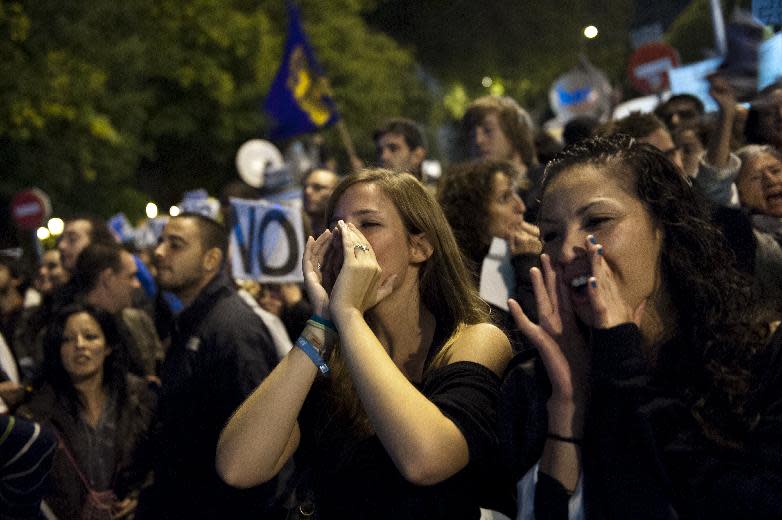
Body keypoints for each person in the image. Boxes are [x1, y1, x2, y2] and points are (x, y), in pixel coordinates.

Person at [503, 135, 782, 518]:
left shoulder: (760, 357)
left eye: (597, 221)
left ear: (662, 226)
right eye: (550, 234)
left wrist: (624, 365)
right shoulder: (537, 385)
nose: (567, 250)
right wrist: (568, 403)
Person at [217, 169, 513, 519]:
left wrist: (349, 314)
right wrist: (324, 319)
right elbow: (239, 466)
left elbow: (426, 459)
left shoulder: (474, 339)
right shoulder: (330, 350)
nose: (347, 239)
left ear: (419, 246)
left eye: (367, 224)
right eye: (338, 226)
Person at [137, 212, 283, 519]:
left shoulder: (233, 328)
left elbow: (261, 434)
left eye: (175, 245)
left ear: (210, 259)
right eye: (161, 241)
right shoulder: (196, 320)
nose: (160, 252)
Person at [18, 303, 155, 520]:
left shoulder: (139, 398)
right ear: (57, 350)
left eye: (90, 337)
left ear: (108, 346)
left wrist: (142, 497)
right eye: (67, 340)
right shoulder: (35, 413)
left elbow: (160, 460)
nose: (80, 345)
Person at [438, 159, 541, 350]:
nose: (520, 207)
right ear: (474, 213)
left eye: (515, 195)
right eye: (504, 198)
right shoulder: (465, 278)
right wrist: (527, 264)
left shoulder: (504, 254)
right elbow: (525, 342)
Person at [461, 95, 538, 181]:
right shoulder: (475, 192)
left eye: (488, 130)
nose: (478, 141)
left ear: (513, 133)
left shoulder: (547, 183)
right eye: (472, 135)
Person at [302, 167, 339, 237]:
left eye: (317, 187)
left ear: (335, 192)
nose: (307, 192)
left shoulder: (342, 233)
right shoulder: (297, 228)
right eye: (305, 187)